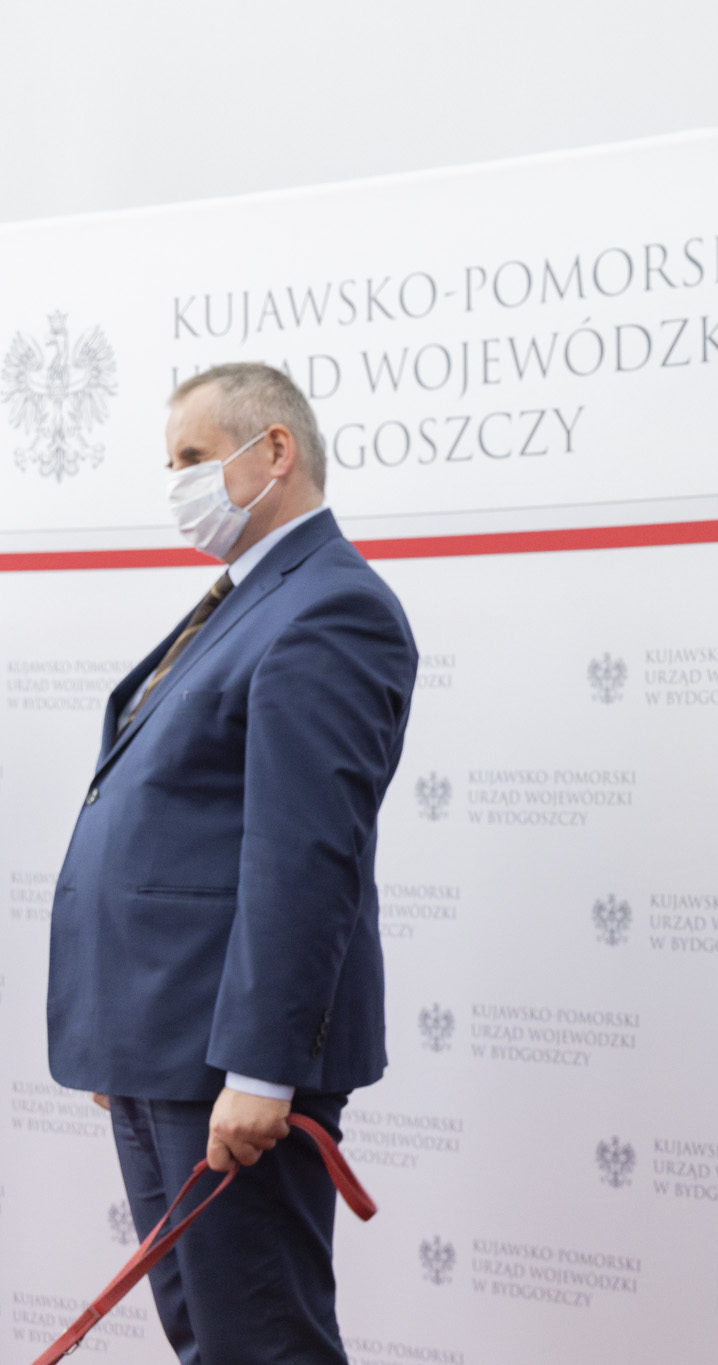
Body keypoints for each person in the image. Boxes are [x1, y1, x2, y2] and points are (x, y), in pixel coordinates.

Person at [46, 363, 417, 1364]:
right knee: (208, 1340)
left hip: (230, 1064)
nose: (177, 484)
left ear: (274, 451)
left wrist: (263, 1069)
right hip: (160, 1042)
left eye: (192, 457)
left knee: (261, 1343)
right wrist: (121, 1034)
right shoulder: (245, 600)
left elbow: (306, 856)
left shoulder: (332, 606)